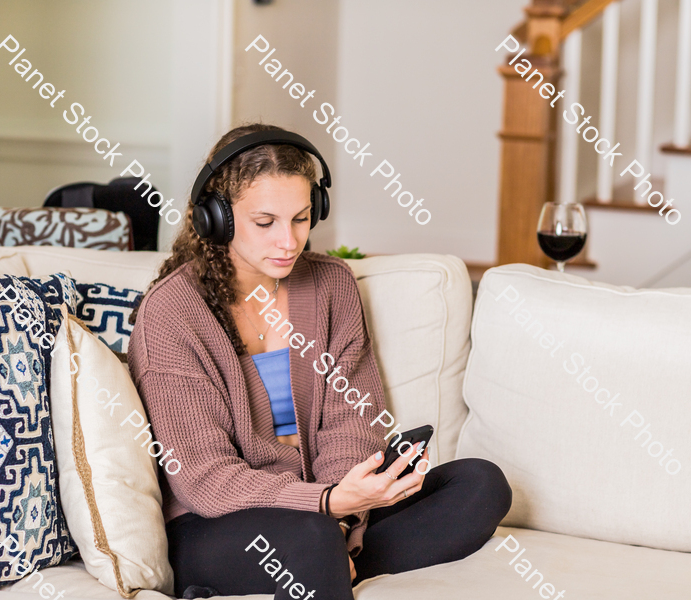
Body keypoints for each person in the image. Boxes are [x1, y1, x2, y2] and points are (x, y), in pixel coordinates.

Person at [127, 123, 511, 600]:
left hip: (328, 504)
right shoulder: (172, 311)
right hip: (215, 522)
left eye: (301, 218)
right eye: (265, 223)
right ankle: (325, 555)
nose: (288, 241)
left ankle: (339, 557)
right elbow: (205, 480)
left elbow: (353, 421)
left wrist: (348, 512)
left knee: (480, 485)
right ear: (217, 218)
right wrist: (325, 505)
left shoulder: (330, 283)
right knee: (311, 539)